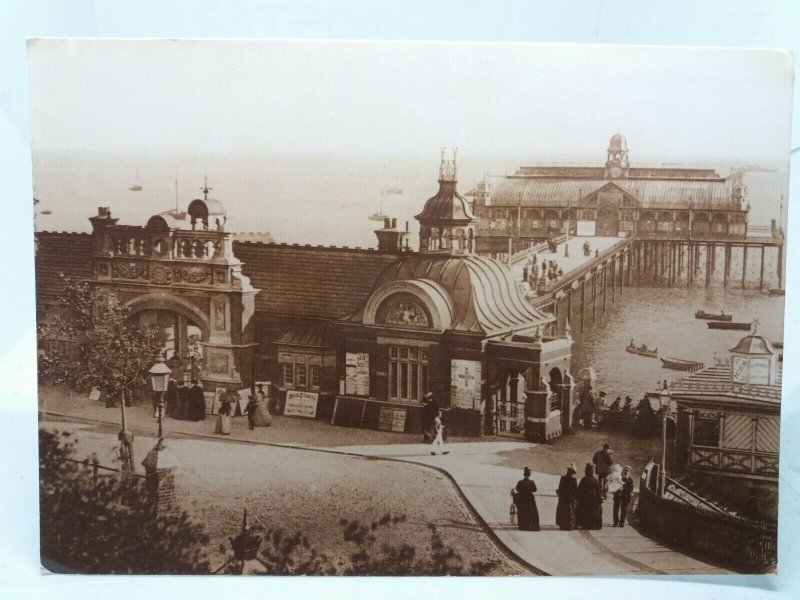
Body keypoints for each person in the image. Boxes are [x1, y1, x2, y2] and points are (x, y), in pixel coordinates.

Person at [513, 467, 540, 531]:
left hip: (522, 497)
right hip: (529, 498)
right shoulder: (531, 482)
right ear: (529, 475)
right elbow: (535, 489)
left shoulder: (520, 482)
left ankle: (523, 526)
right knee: (532, 512)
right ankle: (531, 526)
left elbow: (517, 489)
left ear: (524, 474)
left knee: (522, 511)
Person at [576, 463, 603, 530]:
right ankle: (592, 525)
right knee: (592, 511)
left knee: (585, 511)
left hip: (584, 498)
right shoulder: (594, 480)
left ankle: (585, 524)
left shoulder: (583, 479)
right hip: (593, 498)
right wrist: (599, 499)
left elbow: (579, 489)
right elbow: (598, 491)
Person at [555, 462, 579, 531]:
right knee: (571, 511)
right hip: (570, 499)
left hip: (563, 499)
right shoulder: (574, 480)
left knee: (562, 511)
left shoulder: (562, 478)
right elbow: (575, 491)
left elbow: (559, 489)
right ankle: (570, 524)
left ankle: (562, 524)